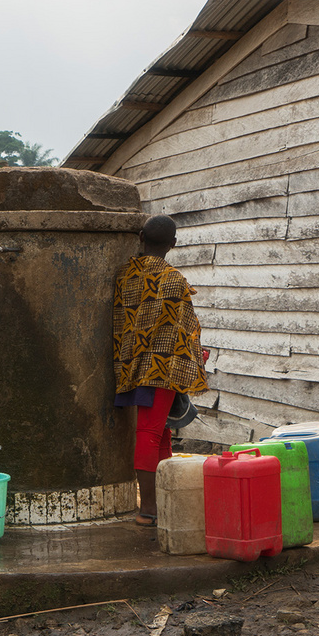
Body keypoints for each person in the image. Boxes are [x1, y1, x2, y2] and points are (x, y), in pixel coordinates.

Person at [113, 214, 209, 527]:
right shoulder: (174, 279)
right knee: (150, 433)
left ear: (140, 236)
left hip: (131, 362)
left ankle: (163, 500)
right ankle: (149, 510)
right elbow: (186, 327)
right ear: (174, 243)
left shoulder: (125, 273)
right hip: (164, 367)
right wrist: (197, 359)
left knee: (163, 432)